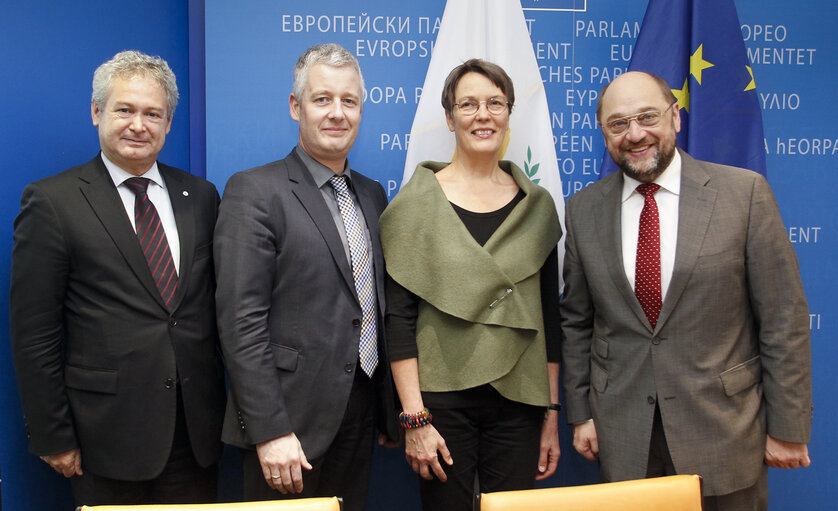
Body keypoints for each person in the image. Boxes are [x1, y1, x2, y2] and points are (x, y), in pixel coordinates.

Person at [561, 71, 812, 510]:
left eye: (647, 117)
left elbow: (783, 318)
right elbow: (577, 321)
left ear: (676, 117)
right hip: (623, 433)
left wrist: (788, 429)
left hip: (725, 430)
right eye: (618, 124)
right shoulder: (583, 209)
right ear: (603, 134)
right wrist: (580, 413)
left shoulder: (743, 195)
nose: (635, 134)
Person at [10, 50, 226, 506]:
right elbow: (35, 334)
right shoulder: (53, 202)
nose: (138, 124)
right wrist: (54, 434)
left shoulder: (201, 197)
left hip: (195, 436)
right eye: (124, 109)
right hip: (103, 438)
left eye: (153, 113)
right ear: (96, 113)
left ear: (168, 124)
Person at [214, 43, 399, 511]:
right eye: (322, 99)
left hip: (360, 411)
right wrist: (270, 429)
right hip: (288, 424)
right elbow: (241, 324)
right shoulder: (254, 191)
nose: (337, 113)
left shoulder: (373, 195)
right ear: (296, 106)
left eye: (349, 101)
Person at [379, 59, 562, 511]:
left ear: (509, 113)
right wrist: (414, 418)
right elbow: (398, 320)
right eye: (469, 104)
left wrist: (552, 415)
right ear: (449, 117)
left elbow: (549, 319)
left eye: (495, 103)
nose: (483, 114)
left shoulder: (537, 207)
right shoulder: (415, 205)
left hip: (520, 401)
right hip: (440, 405)